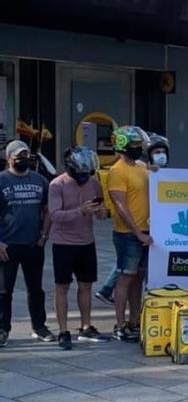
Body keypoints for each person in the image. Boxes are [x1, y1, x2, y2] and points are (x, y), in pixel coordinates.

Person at [49, 146, 111, 350]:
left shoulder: (94, 184)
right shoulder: (57, 185)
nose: (85, 177)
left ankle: (86, 326)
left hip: (87, 242)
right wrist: (80, 211)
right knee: (62, 287)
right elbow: (55, 215)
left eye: (88, 173)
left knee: (86, 285)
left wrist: (102, 212)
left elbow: (101, 213)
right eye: (81, 173)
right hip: (63, 243)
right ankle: (63, 330)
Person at [0, 140, 53, 346]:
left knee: (36, 289)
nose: (23, 159)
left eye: (26, 155)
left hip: (33, 244)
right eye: (19, 156)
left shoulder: (40, 181)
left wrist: (44, 235)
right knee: (4, 291)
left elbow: (48, 209)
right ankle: (3, 329)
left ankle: (39, 326)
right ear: (9, 158)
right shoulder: (2, 180)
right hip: (7, 245)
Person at [108, 126, 153, 342]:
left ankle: (135, 320)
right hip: (127, 234)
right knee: (125, 278)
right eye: (134, 146)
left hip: (147, 230)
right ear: (123, 146)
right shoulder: (117, 171)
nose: (138, 149)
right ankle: (119, 324)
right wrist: (137, 233)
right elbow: (120, 206)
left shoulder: (142, 166)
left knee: (139, 279)